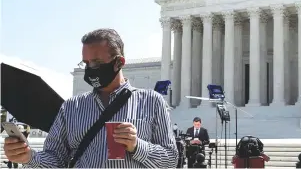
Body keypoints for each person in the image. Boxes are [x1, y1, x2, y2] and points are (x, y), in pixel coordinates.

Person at [3, 28, 178, 168]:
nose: (90, 68)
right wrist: (29, 157)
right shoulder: (72, 107)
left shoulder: (152, 102)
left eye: (97, 63)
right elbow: (56, 160)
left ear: (119, 62)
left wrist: (137, 146)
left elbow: (171, 160)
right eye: (86, 63)